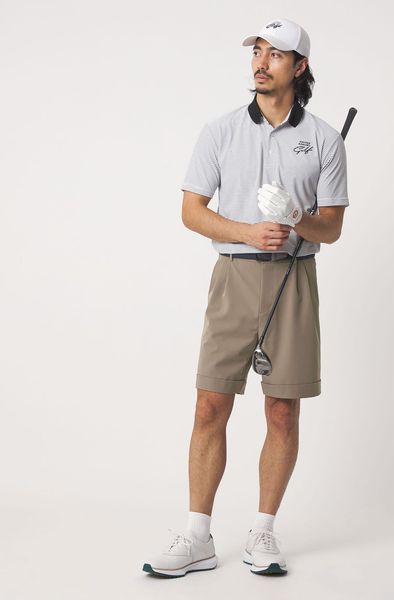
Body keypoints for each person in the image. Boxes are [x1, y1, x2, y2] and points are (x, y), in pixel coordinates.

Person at [142, 17, 349, 578]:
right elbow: (192, 212)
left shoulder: (325, 139)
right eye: (257, 51)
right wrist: (248, 232)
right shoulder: (220, 132)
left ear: (299, 66)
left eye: (275, 54)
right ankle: (197, 536)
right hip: (233, 275)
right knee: (211, 403)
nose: (260, 62)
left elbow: (331, 227)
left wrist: (297, 216)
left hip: (293, 279)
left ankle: (263, 531)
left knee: (282, 408)